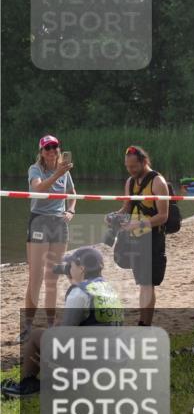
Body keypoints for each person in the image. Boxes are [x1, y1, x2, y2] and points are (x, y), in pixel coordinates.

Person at [1, 248, 123, 398]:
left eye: (70, 266)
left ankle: (29, 385)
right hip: (112, 362)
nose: (68, 270)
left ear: (82, 268)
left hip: (90, 364)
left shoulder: (79, 292)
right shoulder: (108, 288)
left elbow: (65, 336)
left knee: (36, 336)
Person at [21, 135, 76, 344]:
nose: (52, 151)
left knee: (52, 278)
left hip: (59, 223)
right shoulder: (35, 169)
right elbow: (38, 189)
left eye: (54, 147)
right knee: (35, 278)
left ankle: (51, 325)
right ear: (41, 152)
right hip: (39, 222)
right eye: (47, 148)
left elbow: (73, 193)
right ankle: (27, 326)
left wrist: (71, 210)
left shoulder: (64, 170)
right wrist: (58, 174)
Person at [110, 145, 169, 326]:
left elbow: (163, 216)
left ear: (144, 162)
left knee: (146, 283)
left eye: (134, 167)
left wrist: (140, 223)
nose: (131, 170)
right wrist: (115, 216)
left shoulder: (158, 182)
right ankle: (143, 323)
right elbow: (127, 208)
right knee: (141, 282)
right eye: (127, 167)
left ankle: (145, 324)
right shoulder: (130, 182)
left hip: (153, 238)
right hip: (135, 237)